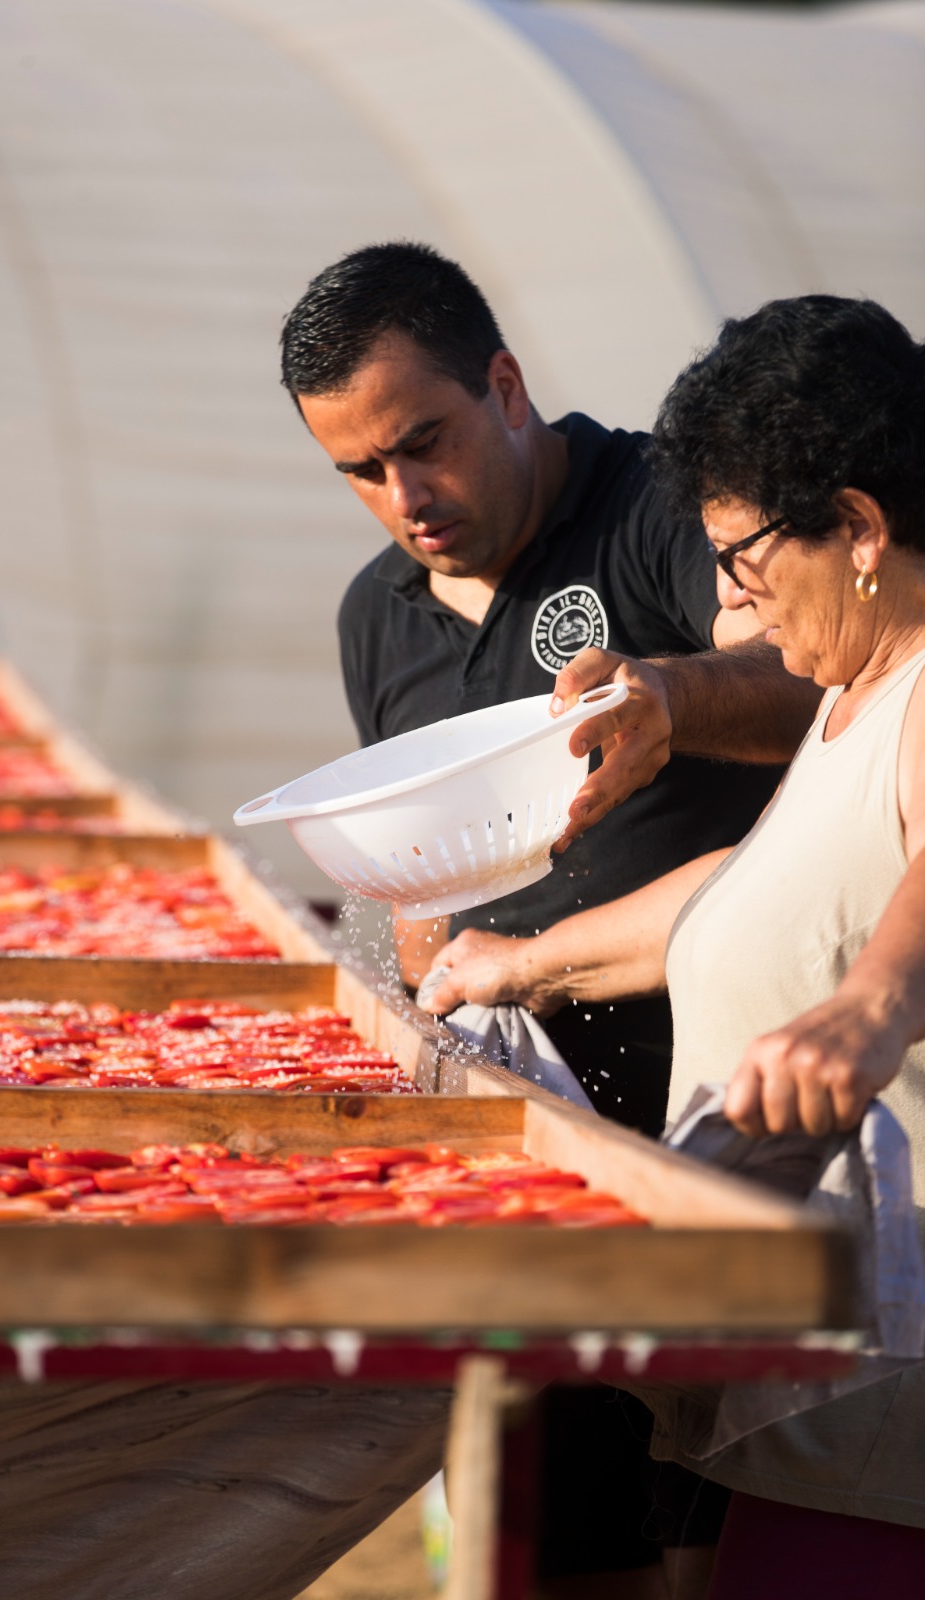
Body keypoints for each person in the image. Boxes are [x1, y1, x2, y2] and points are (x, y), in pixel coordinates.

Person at [280, 242, 819, 1598]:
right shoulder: (376, 618)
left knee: (727, 1526)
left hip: (731, 1117)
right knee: (553, 1543)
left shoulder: (652, 505)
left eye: (424, 442)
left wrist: (669, 699)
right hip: (532, 1157)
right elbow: (408, 876)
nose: (403, 497)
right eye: (359, 469)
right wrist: (406, 973)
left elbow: (819, 682)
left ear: (505, 387)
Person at [419, 293, 925, 1599]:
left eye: (745, 560)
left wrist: (873, 1000)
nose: (731, 599)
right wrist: (512, 965)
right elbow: (753, 888)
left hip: (894, 1397)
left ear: (858, 528)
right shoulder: (845, 691)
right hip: (808, 1379)